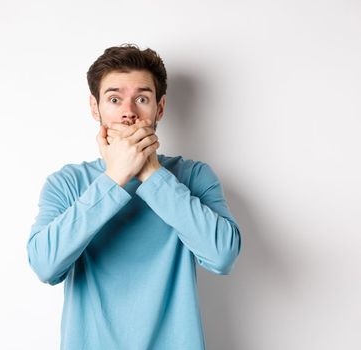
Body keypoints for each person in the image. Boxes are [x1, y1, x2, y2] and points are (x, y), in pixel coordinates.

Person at [25, 43, 242, 349]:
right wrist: (114, 178)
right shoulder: (67, 183)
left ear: (160, 108)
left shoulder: (193, 176)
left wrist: (152, 173)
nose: (128, 112)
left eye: (142, 98)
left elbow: (222, 256)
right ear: (94, 107)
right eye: (114, 99)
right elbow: (45, 265)